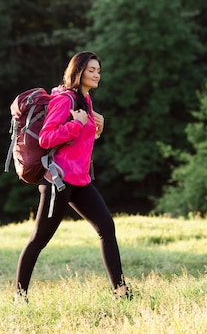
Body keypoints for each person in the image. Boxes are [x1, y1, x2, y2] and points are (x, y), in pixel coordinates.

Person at [14, 51, 131, 303]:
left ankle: (121, 292)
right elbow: (46, 138)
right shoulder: (65, 100)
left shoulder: (85, 102)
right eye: (91, 70)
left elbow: (78, 143)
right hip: (58, 182)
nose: (97, 74)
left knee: (106, 228)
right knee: (39, 240)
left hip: (80, 182)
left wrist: (95, 127)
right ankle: (19, 297)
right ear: (78, 72)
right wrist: (76, 125)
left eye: (98, 70)